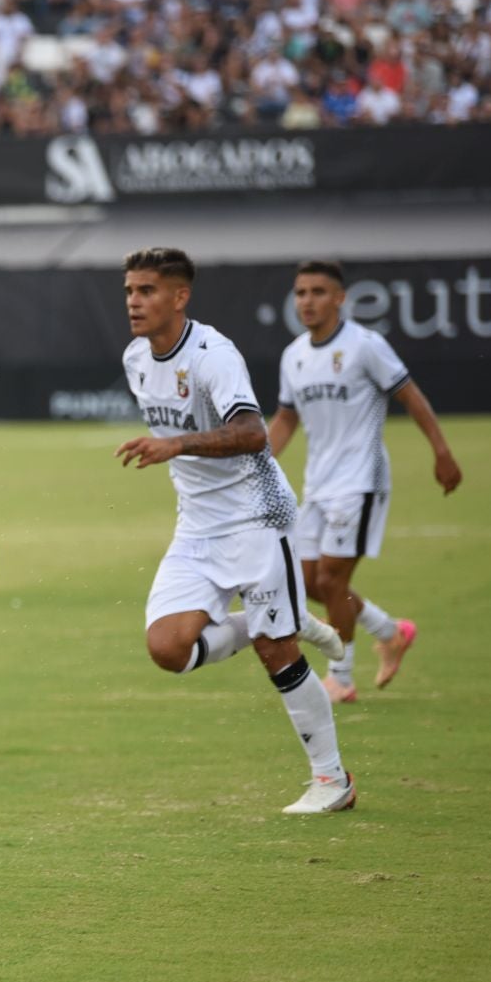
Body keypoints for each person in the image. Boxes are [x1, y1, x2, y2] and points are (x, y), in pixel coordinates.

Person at [113, 248, 353, 815]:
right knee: (168, 649)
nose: (133, 302)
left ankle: (332, 780)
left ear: (180, 296)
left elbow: (251, 433)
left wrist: (176, 444)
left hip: (256, 517)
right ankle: (281, 617)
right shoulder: (135, 357)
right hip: (197, 526)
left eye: (146, 291)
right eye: (129, 291)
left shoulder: (213, 355)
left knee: (277, 652)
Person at [268, 260, 462, 702]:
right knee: (308, 582)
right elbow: (285, 418)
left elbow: (410, 395)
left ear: (340, 298)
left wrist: (442, 451)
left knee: (331, 580)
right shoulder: (293, 355)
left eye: (318, 292)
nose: (307, 301)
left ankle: (341, 677)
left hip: (361, 481)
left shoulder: (365, 345)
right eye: (301, 293)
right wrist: (255, 464)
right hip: (318, 484)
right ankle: (391, 632)